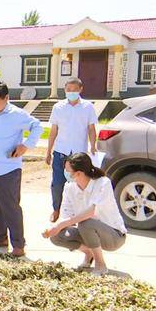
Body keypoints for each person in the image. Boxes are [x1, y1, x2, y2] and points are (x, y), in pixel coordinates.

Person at [0, 81, 44, 257]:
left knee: (10, 206)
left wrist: (26, 146)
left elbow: (37, 126)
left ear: (6, 98)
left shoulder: (17, 114)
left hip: (8, 167)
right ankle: (0, 237)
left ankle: (18, 244)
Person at [42, 152, 127, 276]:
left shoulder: (103, 183)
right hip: (88, 232)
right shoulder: (69, 187)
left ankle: (100, 265)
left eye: (67, 170)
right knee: (57, 236)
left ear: (78, 173)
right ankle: (89, 253)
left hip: (113, 236)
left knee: (86, 223)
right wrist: (54, 228)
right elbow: (66, 215)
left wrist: (62, 224)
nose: (65, 173)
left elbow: (92, 212)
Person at [45, 77, 98, 223]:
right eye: (69, 90)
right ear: (65, 90)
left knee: (79, 184)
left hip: (79, 154)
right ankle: (56, 209)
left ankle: (77, 213)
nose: (71, 92)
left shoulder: (88, 107)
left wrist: (93, 146)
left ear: (81, 89)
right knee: (57, 183)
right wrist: (48, 151)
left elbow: (91, 129)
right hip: (61, 151)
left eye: (75, 90)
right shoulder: (58, 107)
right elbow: (54, 130)